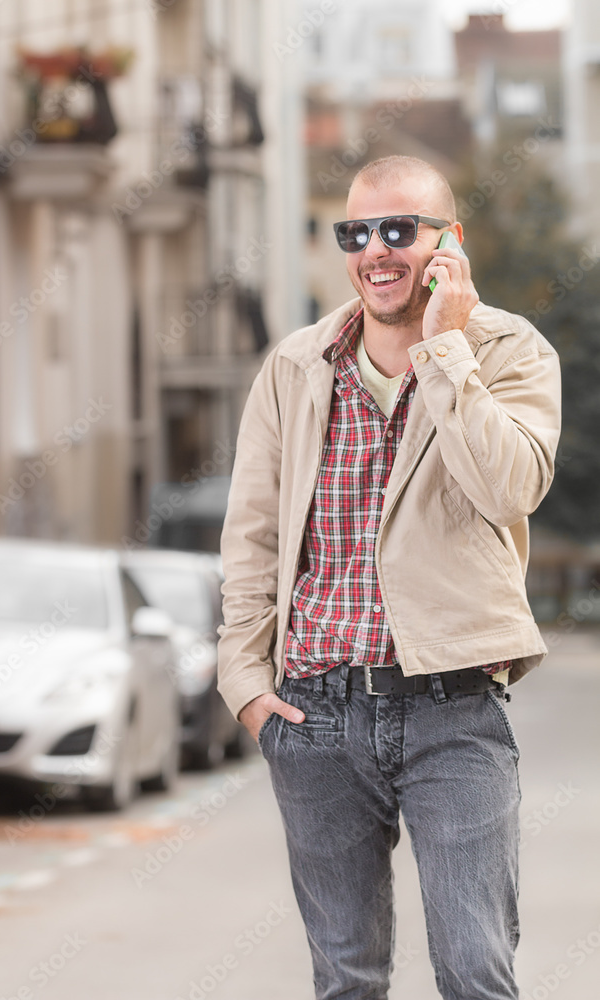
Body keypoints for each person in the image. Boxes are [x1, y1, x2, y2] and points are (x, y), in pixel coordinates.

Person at [216, 155, 561, 1000]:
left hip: (453, 710)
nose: (376, 249)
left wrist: (445, 349)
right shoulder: (296, 366)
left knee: (474, 972)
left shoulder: (507, 350)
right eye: (355, 232)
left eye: (399, 229)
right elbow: (252, 538)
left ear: (448, 244)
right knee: (346, 978)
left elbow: (511, 485)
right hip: (314, 713)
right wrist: (247, 685)